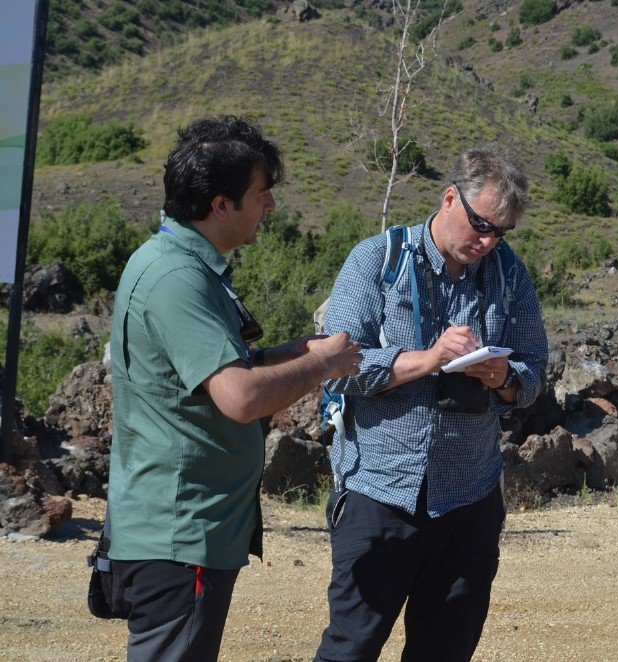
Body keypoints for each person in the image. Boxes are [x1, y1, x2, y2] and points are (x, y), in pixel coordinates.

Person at [107, 115, 362, 661]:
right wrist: (324, 366)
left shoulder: (185, 267)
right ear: (221, 204)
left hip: (186, 533)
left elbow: (214, 372)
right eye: (261, 194)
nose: (270, 207)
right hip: (179, 536)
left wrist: (291, 353)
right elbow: (240, 397)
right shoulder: (177, 279)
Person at [314, 144, 548, 662]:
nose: (488, 242)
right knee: (351, 647)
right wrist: (429, 359)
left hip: (470, 496)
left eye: (501, 233)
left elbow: (533, 375)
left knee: (445, 650)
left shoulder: (510, 274)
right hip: (381, 490)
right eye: (481, 225)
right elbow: (337, 367)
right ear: (449, 199)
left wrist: (503, 376)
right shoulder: (376, 260)